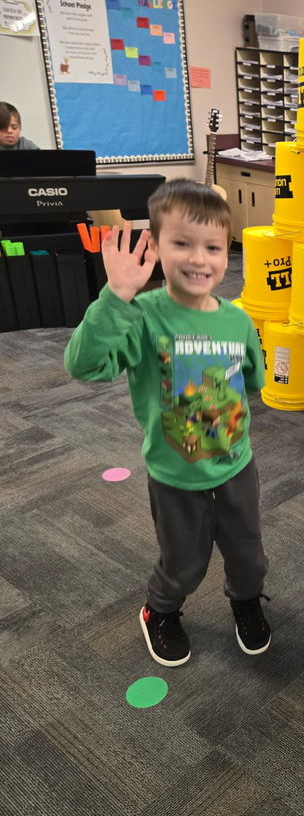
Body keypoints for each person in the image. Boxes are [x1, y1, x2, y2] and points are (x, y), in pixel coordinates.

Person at [64, 179, 270, 667]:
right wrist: (116, 296)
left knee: (249, 554)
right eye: (182, 243)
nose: (199, 259)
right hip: (175, 474)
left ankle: (245, 600)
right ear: (155, 246)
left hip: (237, 465)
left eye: (213, 247)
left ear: (227, 253)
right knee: (182, 561)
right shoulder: (141, 317)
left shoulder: (237, 320)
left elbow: (254, 377)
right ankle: (160, 610)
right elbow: (84, 365)